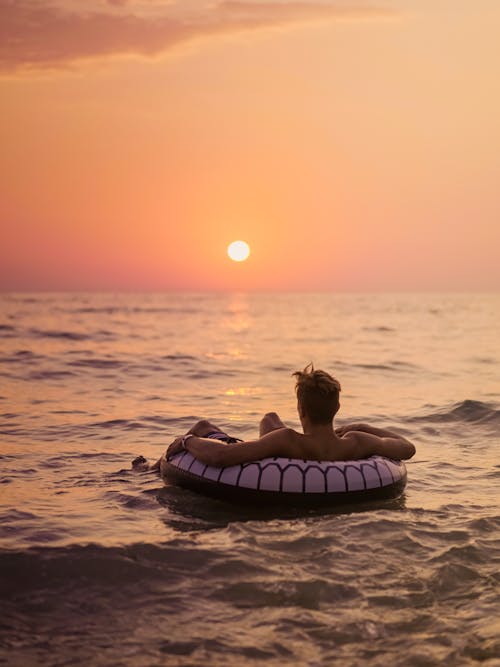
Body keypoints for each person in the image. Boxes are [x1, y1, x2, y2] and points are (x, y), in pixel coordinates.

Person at [132, 364, 415, 473]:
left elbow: (220, 458)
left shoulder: (287, 440)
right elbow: (406, 447)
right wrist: (361, 426)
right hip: (329, 445)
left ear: (301, 410)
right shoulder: (356, 442)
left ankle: (151, 469)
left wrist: (186, 440)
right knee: (269, 418)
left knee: (205, 426)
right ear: (337, 408)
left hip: (285, 452)